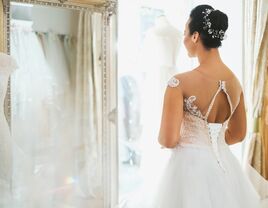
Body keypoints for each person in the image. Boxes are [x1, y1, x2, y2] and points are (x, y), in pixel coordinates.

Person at [154, 4, 262, 208]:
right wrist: (213, 145)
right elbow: (238, 134)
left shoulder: (178, 82)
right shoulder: (235, 82)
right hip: (225, 168)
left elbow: (168, 140)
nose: (183, 39)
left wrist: (192, 143)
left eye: (185, 33)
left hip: (189, 171)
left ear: (195, 36)